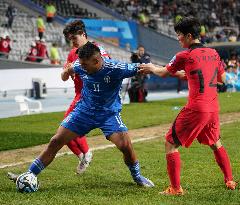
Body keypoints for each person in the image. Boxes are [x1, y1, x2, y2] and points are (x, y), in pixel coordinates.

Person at [8, 42, 154, 190]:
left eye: (85, 65)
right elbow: (69, 70)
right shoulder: (80, 64)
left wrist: (165, 69)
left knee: (126, 146)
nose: (81, 67)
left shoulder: (115, 68)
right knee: (56, 141)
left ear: (96, 61)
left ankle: (138, 177)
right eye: (80, 64)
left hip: (108, 114)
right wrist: (66, 72)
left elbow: (143, 67)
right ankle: (29, 175)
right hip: (84, 112)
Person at [139, 16, 237, 195]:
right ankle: (230, 180)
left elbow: (162, 72)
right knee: (216, 143)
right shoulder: (214, 54)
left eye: (179, 35)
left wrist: (151, 67)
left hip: (196, 108)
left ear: (189, 36)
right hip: (213, 108)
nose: (178, 39)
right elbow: (222, 80)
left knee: (170, 143)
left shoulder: (184, 55)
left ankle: (175, 189)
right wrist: (190, 75)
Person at [62, 20, 111, 174]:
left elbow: (108, 71)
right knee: (64, 131)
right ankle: (83, 155)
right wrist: (68, 71)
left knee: (66, 127)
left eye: (74, 38)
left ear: (83, 34)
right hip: (79, 95)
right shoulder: (72, 53)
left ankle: (86, 152)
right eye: (70, 40)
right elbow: (63, 77)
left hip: (91, 97)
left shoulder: (97, 50)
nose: (73, 43)